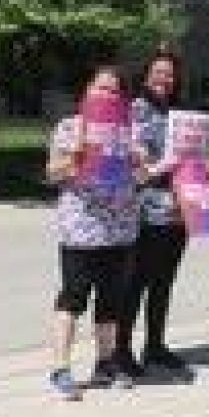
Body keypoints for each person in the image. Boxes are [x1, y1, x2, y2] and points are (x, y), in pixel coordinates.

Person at [46, 65, 142, 399]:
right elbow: (52, 173)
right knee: (73, 297)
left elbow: (142, 177)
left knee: (111, 301)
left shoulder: (129, 130)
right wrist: (75, 157)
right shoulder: (70, 127)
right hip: (81, 229)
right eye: (102, 88)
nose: (107, 95)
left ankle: (105, 364)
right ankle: (60, 367)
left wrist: (138, 161)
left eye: (114, 91)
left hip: (120, 229)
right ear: (88, 91)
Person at [115, 50, 191, 379]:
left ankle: (155, 345)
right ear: (146, 76)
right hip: (146, 208)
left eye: (170, 74)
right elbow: (136, 164)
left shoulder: (181, 113)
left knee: (164, 281)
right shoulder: (135, 109)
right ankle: (121, 349)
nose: (165, 79)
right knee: (136, 281)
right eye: (159, 73)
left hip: (178, 207)